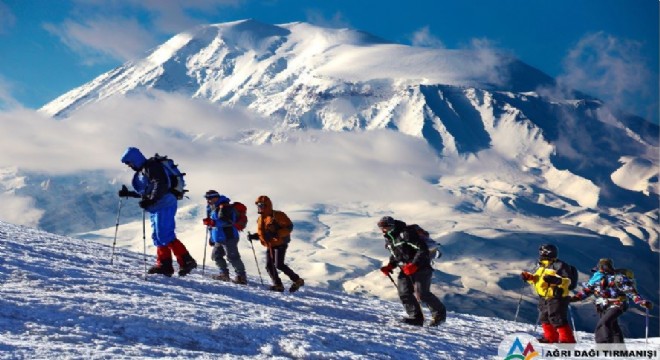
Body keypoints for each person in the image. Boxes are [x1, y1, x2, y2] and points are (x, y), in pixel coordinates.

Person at [118, 147, 197, 277]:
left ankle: (186, 261)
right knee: (158, 236)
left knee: (164, 234)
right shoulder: (144, 170)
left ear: (134, 159)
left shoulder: (151, 166)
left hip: (165, 202)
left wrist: (151, 200)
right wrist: (130, 194)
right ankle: (164, 265)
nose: (129, 165)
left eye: (129, 162)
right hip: (158, 204)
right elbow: (149, 191)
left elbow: (161, 184)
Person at [378, 216, 446, 327]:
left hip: (421, 267)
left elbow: (422, 249)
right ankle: (416, 318)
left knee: (422, 294)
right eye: (381, 227)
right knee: (404, 292)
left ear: (391, 226)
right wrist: (390, 266)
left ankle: (440, 315)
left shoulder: (406, 233)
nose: (382, 230)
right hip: (405, 268)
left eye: (384, 227)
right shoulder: (390, 238)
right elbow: (397, 255)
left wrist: (414, 264)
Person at [571, 258, 653, 343]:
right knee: (613, 326)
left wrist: (641, 302)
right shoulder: (595, 279)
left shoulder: (618, 278)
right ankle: (620, 350)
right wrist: (572, 299)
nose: (601, 269)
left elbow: (630, 291)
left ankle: (603, 347)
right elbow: (586, 292)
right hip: (603, 305)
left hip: (618, 303)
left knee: (603, 323)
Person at [247, 195, 304, 293]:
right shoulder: (261, 219)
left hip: (280, 243)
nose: (259, 207)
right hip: (270, 244)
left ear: (267, 205)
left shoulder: (278, 215)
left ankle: (297, 280)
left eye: (261, 205)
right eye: (258, 205)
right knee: (269, 265)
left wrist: (276, 234)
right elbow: (264, 234)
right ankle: (278, 285)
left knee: (279, 264)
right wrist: (254, 236)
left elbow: (289, 227)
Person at [520, 244, 576, 343]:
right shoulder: (541, 266)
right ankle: (550, 337)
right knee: (544, 318)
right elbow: (536, 281)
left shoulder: (560, 265)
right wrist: (529, 278)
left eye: (543, 251)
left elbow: (568, 281)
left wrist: (557, 281)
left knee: (557, 318)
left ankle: (567, 340)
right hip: (544, 296)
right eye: (541, 251)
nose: (541, 253)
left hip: (557, 296)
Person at [202, 190, 247, 284]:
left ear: (216, 197)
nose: (208, 200)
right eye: (207, 198)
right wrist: (212, 238)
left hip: (229, 236)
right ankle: (224, 274)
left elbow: (228, 221)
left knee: (232, 257)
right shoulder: (212, 207)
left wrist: (212, 222)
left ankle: (241, 276)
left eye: (209, 198)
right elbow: (212, 226)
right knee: (216, 256)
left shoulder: (225, 206)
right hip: (219, 237)